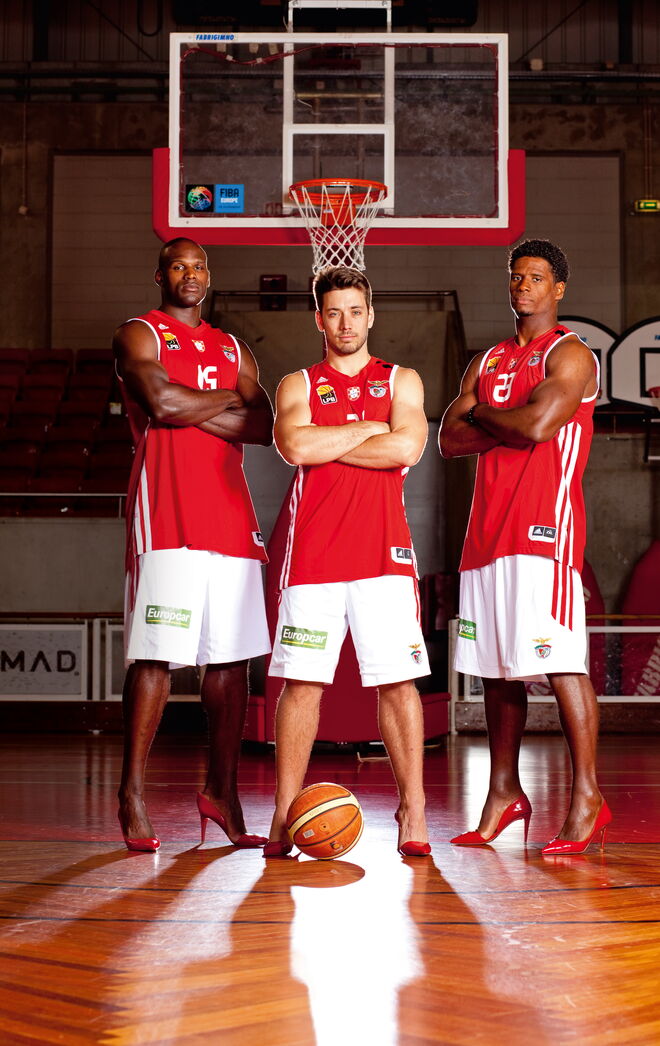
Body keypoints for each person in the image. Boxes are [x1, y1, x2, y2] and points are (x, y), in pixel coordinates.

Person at [439, 238, 611, 856]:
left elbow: (539, 426)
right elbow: (448, 441)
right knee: (496, 669)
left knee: (561, 662)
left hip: (546, 530)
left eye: (536, 277)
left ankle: (588, 795)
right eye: (517, 277)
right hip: (486, 533)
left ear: (557, 289)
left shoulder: (571, 355)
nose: (524, 286)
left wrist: (486, 414)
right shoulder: (485, 361)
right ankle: (503, 793)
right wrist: (498, 414)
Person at [265, 265, 432, 857]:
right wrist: (367, 429)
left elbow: (408, 445)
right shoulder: (297, 385)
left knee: (397, 682)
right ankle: (284, 815)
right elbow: (295, 445)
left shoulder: (402, 379)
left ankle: (413, 809)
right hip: (313, 555)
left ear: (371, 313)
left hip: (385, 555)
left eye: (355, 311)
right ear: (319, 318)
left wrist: (333, 441)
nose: (346, 322)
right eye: (333, 312)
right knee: (301, 685)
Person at [113, 237, 273, 852]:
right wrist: (223, 400)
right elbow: (157, 399)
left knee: (231, 664)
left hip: (231, 517)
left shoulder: (234, 346)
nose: (191, 274)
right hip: (168, 513)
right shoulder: (139, 335)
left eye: (200, 265)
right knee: (156, 656)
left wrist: (187, 408)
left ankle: (222, 792)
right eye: (179, 264)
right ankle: (131, 792)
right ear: (160, 275)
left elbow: (262, 427)